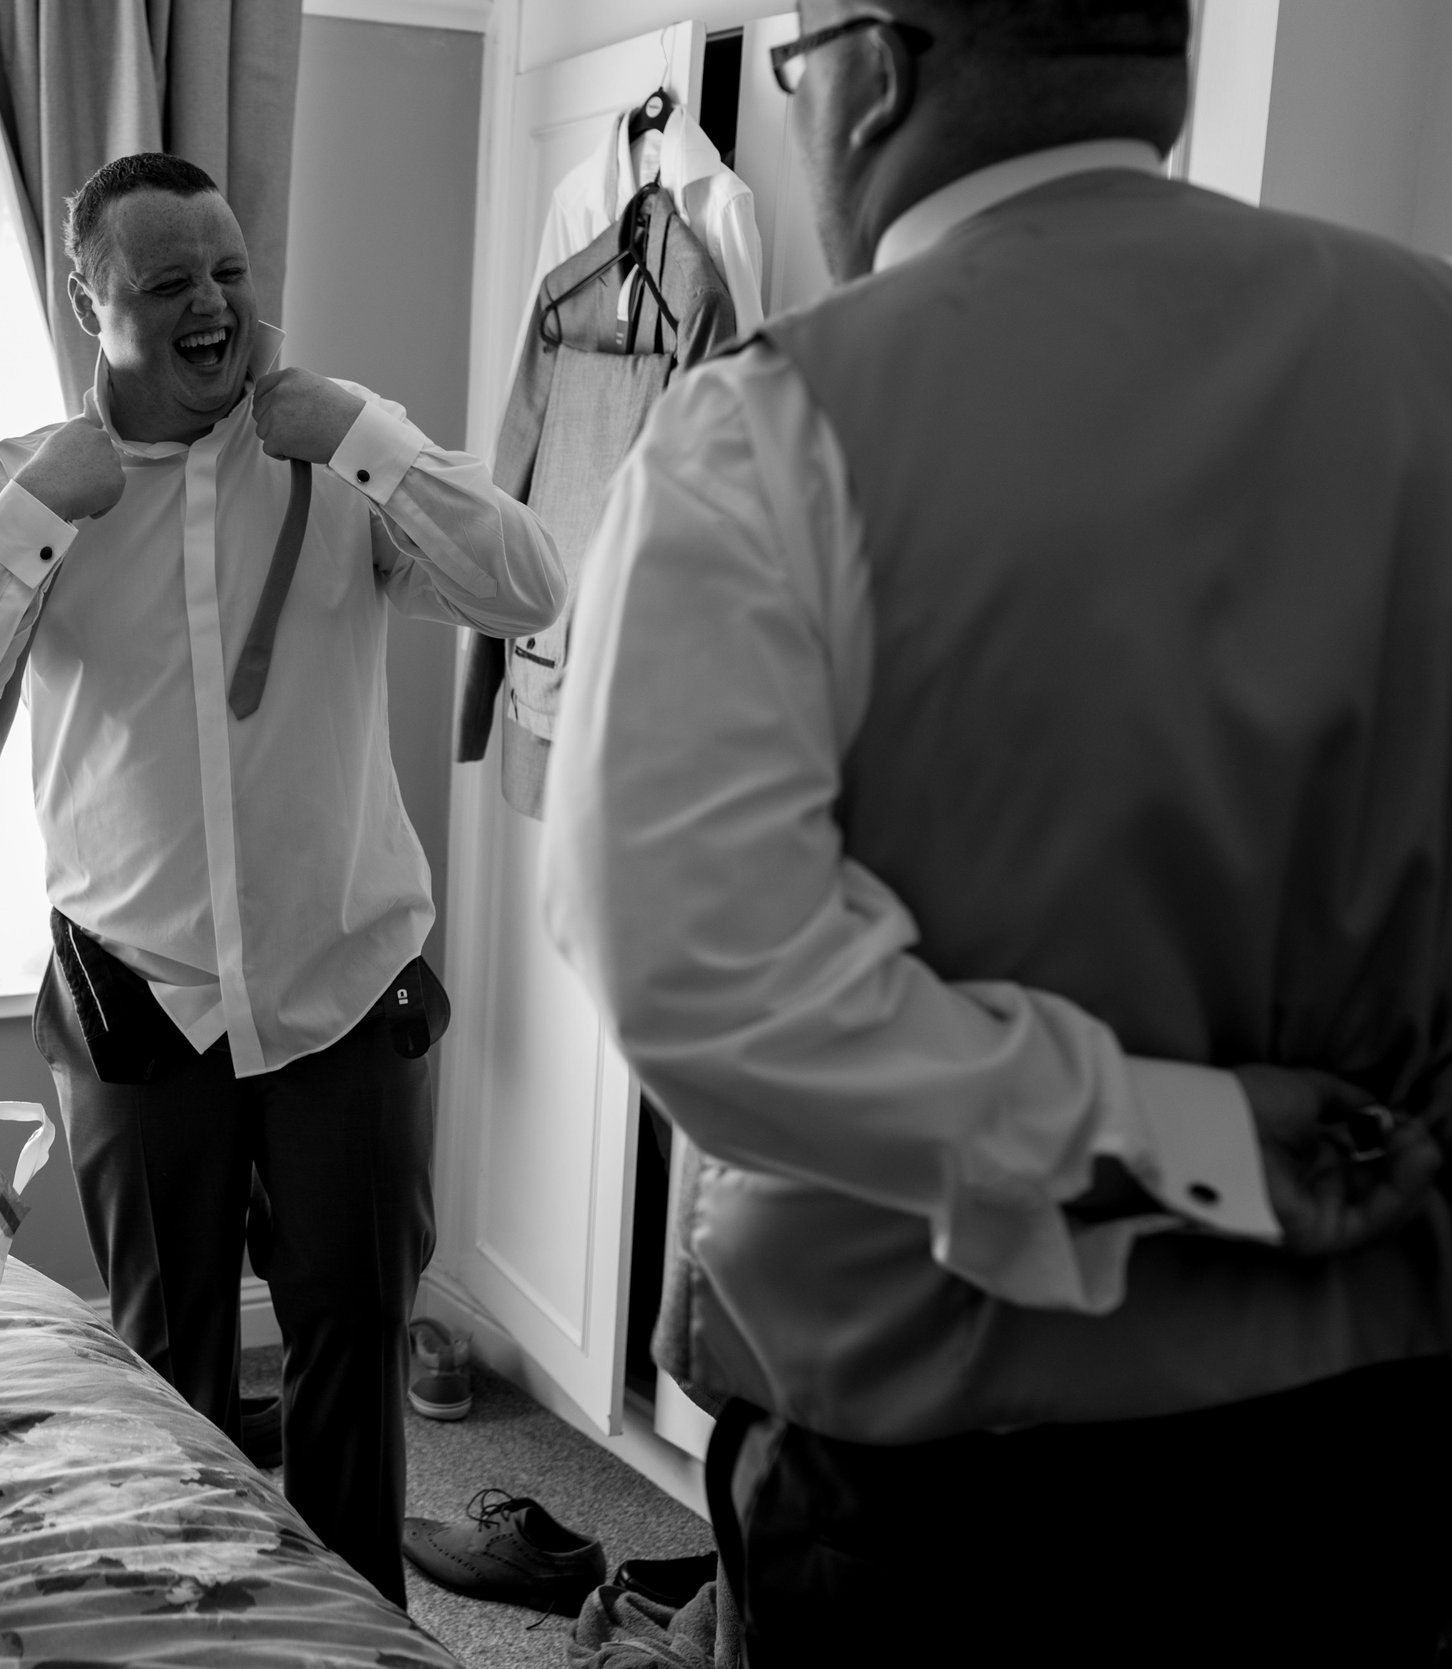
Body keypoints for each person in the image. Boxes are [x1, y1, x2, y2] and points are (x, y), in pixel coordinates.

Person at [539, 2, 1452, 1663]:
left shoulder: (770, 428)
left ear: (875, 71)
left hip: (949, 1490)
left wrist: (1167, 1128)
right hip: (1386, 1431)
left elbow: (696, 976)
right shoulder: (1431, 342)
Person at [0, 152, 563, 1604]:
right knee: (166, 1374)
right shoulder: (23, 483)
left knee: (353, 1350)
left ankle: (359, 1632)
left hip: (347, 987)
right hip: (138, 1005)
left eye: (233, 270)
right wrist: (36, 517)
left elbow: (526, 587)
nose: (215, 307)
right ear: (89, 300)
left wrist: (370, 437)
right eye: (168, 281)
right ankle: (185, 1632)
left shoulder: (338, 461)